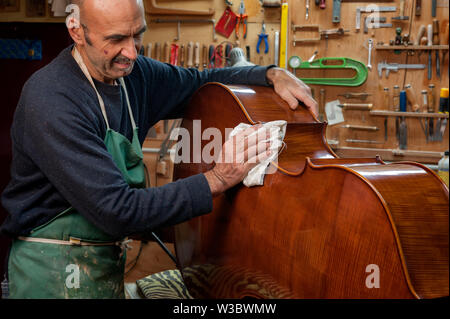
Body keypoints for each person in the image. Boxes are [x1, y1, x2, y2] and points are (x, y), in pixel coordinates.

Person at [1, 0, 317, 298]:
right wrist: (219, 178)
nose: (132, 52)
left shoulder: (134, 76)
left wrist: (270, 73)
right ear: (76, 31)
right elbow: (117, 210)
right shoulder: (52, 100)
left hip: (101, 260)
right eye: (116, 39)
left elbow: (201, 82)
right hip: (52, 268)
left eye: (137, 34)